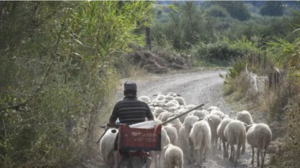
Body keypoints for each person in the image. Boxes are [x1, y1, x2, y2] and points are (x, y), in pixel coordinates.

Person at [107, 81, 154, 168]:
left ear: (124, 92)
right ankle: (148, 166)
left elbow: (112, 121)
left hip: (125, 136)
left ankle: (117, 165)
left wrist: (112, 125)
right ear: (135, 92)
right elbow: (151, 119)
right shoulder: (144, 104)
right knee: (150, 148)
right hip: (141, 136)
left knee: (115, 147)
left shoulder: (119, 105)